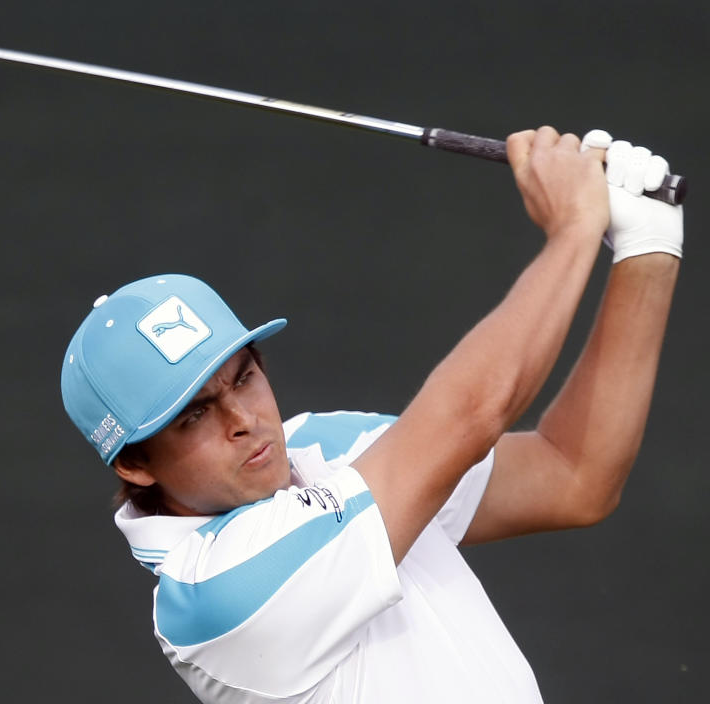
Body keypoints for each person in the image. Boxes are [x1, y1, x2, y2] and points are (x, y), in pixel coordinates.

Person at [59, 126, 682, 703]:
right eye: (193, 416)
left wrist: (645, 249)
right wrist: (575, 227)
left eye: (244, 378)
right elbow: (469, 416)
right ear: (137, 463)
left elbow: (572, 474)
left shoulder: (326, 449)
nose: (243, 419)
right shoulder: (208, 593)